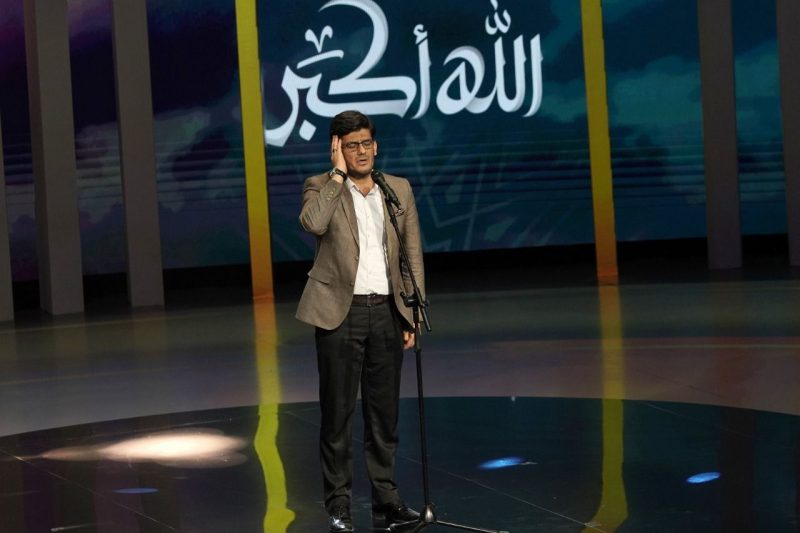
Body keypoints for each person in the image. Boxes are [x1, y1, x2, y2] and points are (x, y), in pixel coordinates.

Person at [296, 110, 425, 533]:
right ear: (337, 149)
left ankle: (387, 502)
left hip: (386, 311)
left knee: (384, 414)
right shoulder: (320, 186)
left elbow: (411, 255)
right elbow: (313, 223)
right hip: (340, 314)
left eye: (367, 143)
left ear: (376, 145)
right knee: (337, 415)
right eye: (352, 146)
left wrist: (411, 313)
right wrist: (337, 176)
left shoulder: (397, 189)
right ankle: (339, 506)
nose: (362, 152)